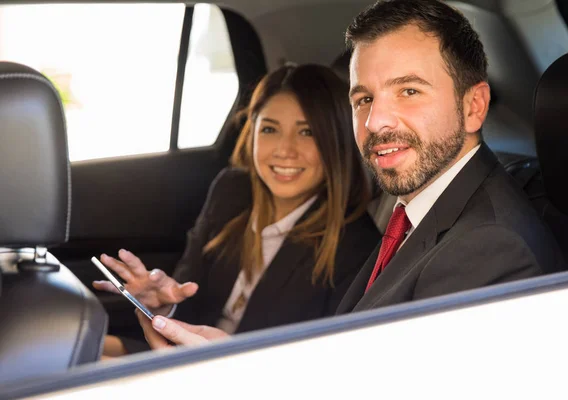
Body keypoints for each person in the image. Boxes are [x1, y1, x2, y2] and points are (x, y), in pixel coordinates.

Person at [135, 0, 565, 349]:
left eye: (409, 91)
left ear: (473, 106)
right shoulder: (426, 211)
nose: (376, 122)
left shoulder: (490, 247)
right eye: (363, 99)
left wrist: (229, 376)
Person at [96, 64, 381, 356]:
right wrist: (166, 306)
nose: (285, 150)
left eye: (307, 132)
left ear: (337, 140)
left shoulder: (358, 248)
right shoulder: (232, 192)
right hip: (177, 359)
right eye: (270, 129)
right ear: (252, 131)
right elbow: (189, 309)